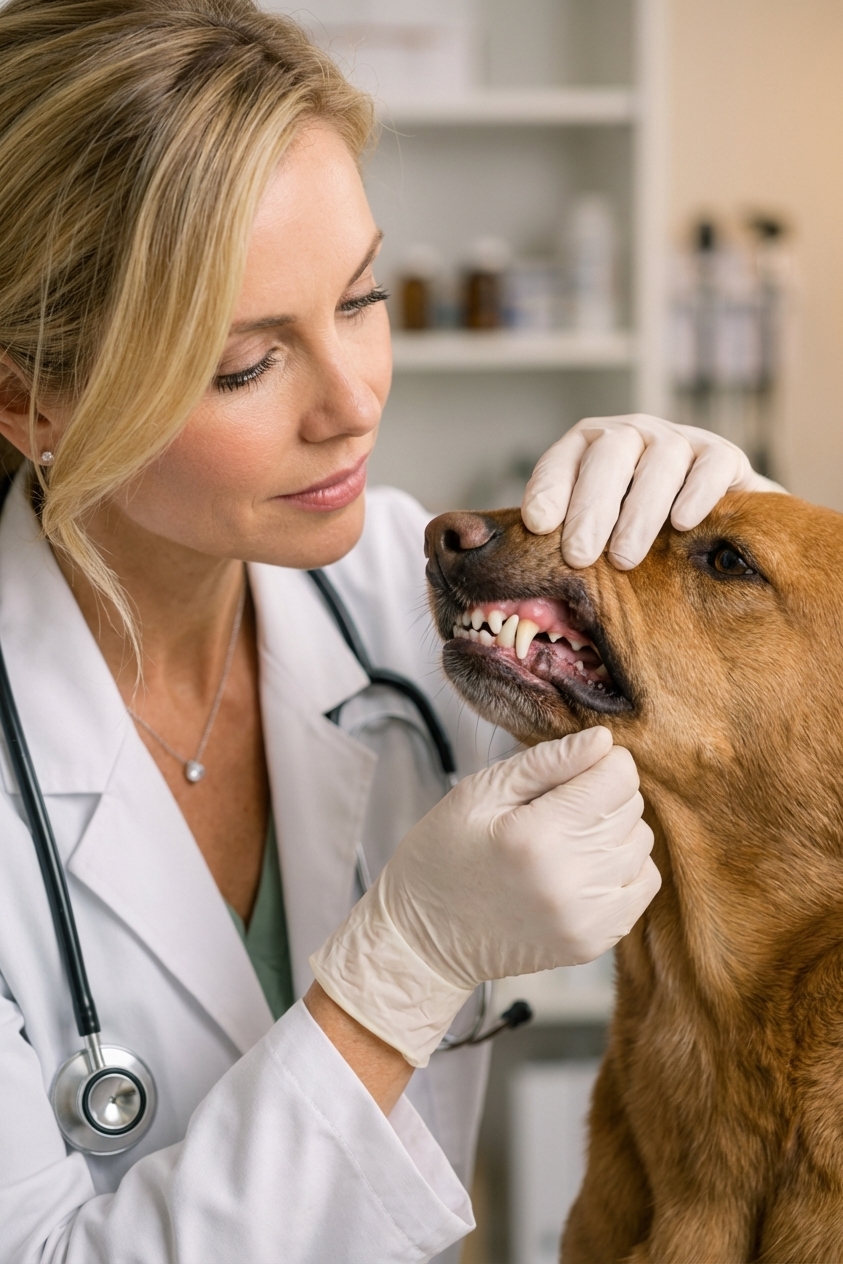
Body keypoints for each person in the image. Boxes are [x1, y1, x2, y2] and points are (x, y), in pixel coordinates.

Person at [0, 2, 782, 1260]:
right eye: (245, 365)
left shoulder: (410, 604)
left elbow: (768, 800)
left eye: (362, 297)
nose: (356, 402)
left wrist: (731, 543)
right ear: (28, 398)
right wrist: (393, 979)